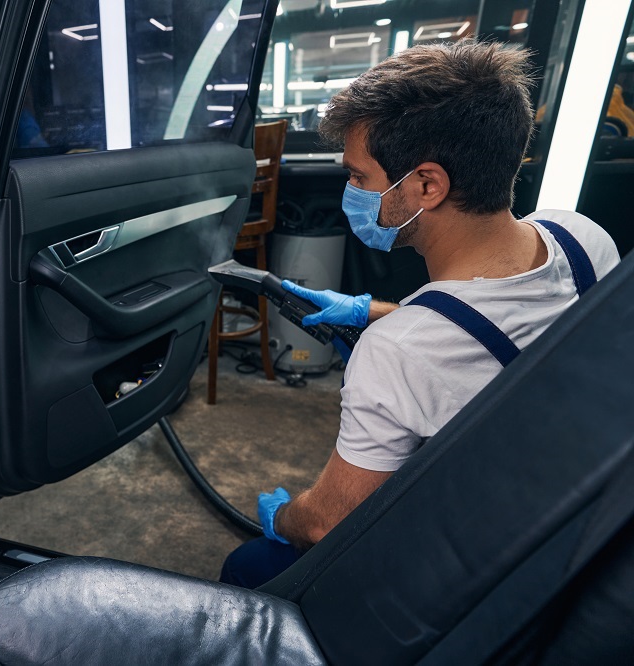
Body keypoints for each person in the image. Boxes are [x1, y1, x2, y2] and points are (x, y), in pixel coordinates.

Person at [219, 40, 621, 589]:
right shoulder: (581, 237)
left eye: (359, 176)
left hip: (476, 559)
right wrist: (367, 312)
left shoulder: (400, 354)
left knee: (247, 568)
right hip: (578, 509)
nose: (352, 191)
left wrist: (285, 517)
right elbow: (504, 320)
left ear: (426, 184)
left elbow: (326, 524)